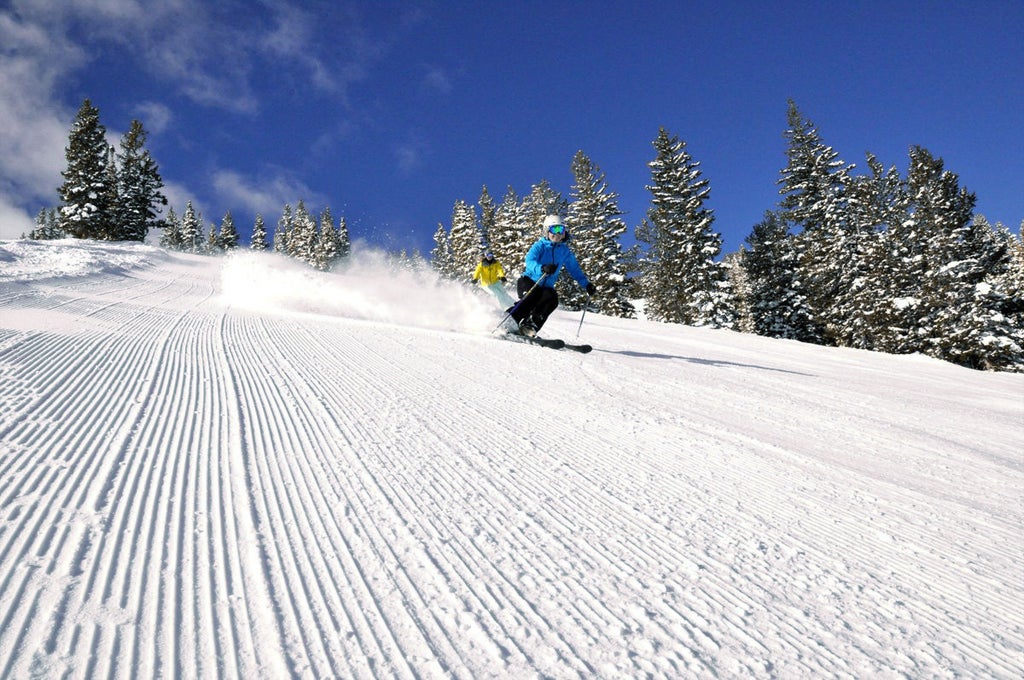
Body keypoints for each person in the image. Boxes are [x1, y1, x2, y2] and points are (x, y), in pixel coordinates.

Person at [510, 215, 596, 336]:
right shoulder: (540, 245)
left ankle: (530, 326)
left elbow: (574, 269)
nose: (558, 234)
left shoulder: (564, 251)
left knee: (552, 299)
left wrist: (587, 285)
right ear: (546, 231)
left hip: (545, 287)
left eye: (561, 230)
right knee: (530, 298)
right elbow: (529, 260)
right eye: (554, 230)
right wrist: (541, 268)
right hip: (529, 280)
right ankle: (509, 320)